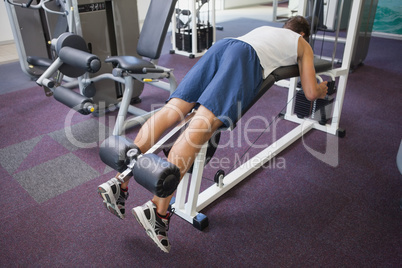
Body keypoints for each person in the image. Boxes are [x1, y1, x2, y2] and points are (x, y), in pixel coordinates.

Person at [97, 16, 328, 253]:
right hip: (244, 59)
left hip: (221, 47)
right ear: (302, 34)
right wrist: (321, 89)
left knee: (172, 111)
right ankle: (157, 211)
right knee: (201, 125)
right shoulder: (302, 43)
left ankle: (119, 182)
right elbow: (310, 92)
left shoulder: (266, 30)